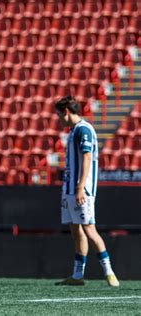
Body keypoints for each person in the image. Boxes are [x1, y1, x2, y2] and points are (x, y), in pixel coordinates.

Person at [54, 96, 119, 287]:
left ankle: (109, 273)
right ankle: (77, 275)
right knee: (76, 231)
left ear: (66, 111)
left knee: (90, 230)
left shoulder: (84, 129)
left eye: (59, 115)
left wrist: (81, 187)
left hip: (81, 190)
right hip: (69, 190)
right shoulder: (74, 130)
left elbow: (87, 157)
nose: (58, 119)